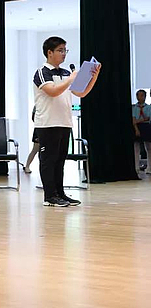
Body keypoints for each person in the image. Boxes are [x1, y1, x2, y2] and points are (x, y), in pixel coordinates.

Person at [33, 37, 101, 207]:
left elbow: (81, 93)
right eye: (60, 50)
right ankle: (49, 196)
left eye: (65, 50)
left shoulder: (64, 73)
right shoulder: (42, 72)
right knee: (48, 161)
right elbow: (53, 91)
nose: (64, 53)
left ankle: (60, 194)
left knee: (60, 161)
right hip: (47, 123)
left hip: (64, 122)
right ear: (49, 52)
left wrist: (94, 76)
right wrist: (70, 79)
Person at [132, 89, 151, 174]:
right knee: (136, 148)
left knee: (148, 147)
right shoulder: (134, 107)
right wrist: (136, 129)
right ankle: (136, 167)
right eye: (138, 95)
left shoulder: (148, 107)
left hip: (146, 127)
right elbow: (133, 119)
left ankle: (149, 167)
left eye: (142, 95)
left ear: (145, 97)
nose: (140, 97)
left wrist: (139, 120)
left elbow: (148, 118)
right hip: (137, 127)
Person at [23, 106, 39, 174]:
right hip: (39, 128)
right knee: (35, 149)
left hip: (49, 129)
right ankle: (27, 166)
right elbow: (33, 118)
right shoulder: (37, 105)